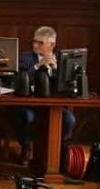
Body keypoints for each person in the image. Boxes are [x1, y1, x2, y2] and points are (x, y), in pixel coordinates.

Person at [13, 26, 76, 166]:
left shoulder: (61, 58)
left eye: (40, 43)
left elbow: (68, 86)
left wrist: (56, 69)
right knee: (26, 117)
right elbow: (18, 80)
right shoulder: (24, 57)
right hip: (29, 105)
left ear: (52, 45)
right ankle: (26, 148)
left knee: (69, 119)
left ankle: (54, 150)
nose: (35, 45)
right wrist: (37, 66)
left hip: (53, 106)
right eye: (34, 41)